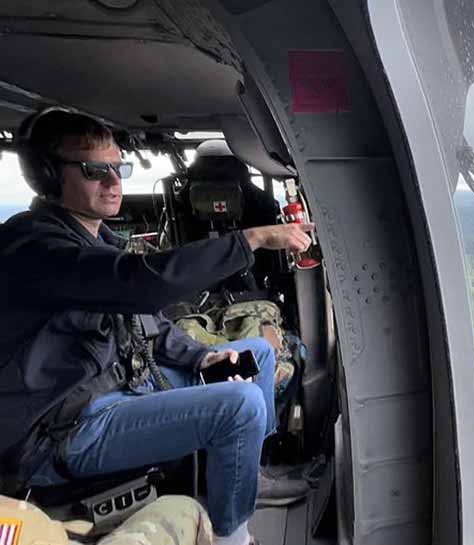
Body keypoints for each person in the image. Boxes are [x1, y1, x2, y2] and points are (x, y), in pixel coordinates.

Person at [0, 108, 315, 545]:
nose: (114, 183)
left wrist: (202, 355)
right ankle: (230, 536)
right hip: (59, 430)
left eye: (118, 168)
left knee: (256, 354)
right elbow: (144, 285)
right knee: (239, 404)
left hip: (110, 392)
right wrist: (251, 241)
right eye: (95, 170)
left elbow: (146, 323)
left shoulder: (96, 241)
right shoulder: (36, 247)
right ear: (50, 176)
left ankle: (250, 475)